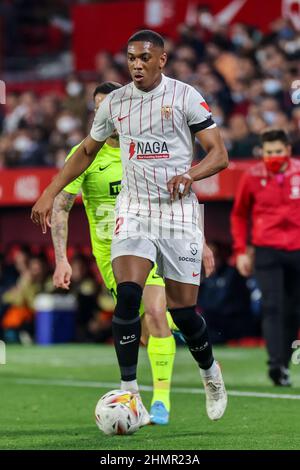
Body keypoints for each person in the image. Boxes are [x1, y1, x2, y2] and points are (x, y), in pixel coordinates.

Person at [32, 30, 228, 425]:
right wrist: (50, 191)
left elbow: (219, 154)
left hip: (177, 212)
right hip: (134, 210)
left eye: (144, 57)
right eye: (131, 58)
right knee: (128, 296)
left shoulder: (185, 96)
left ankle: (210, 374)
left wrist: (190, 175)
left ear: (162, 59)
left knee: (183, 312)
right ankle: (131, 392)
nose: (136, 65)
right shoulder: (116, 102)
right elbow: (87, 150)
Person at [51, 82, 176, 424]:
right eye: (100, 109)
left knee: (155, 311)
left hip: (150, 244)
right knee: (147, 327)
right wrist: (61, 259)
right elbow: (61, 206)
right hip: (112, 255)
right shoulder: (85, 155)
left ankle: (161, 400)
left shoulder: (145, 148)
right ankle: (178, 344)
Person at [231, 128, 300, 386]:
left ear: (288, 150)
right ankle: (274, 364)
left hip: (297, 249)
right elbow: (239, 215)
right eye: (269, 152)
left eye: (278, 151)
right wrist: (240, 251)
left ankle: (283, 363)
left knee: (293, 311)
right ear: (262, 152)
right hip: (266, 249)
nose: (273, 156)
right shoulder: (252, 176)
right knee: (272, 306)